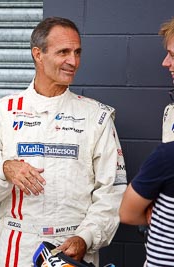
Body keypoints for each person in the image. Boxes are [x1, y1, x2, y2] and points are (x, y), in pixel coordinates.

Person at [0, 17, 127, 267]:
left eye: (77, 52)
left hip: (72, 249)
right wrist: (4, 169)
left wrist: (86, 237)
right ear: (38, 54)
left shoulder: (97, 116)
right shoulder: (1, 113)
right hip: (16, 249)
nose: (73, 61)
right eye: (63, 52)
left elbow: (112, 191)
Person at [119, 18, 174, 266]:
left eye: (172, 55)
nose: (165, 62)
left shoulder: (167, 156)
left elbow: (127, 213)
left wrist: (157, 213)